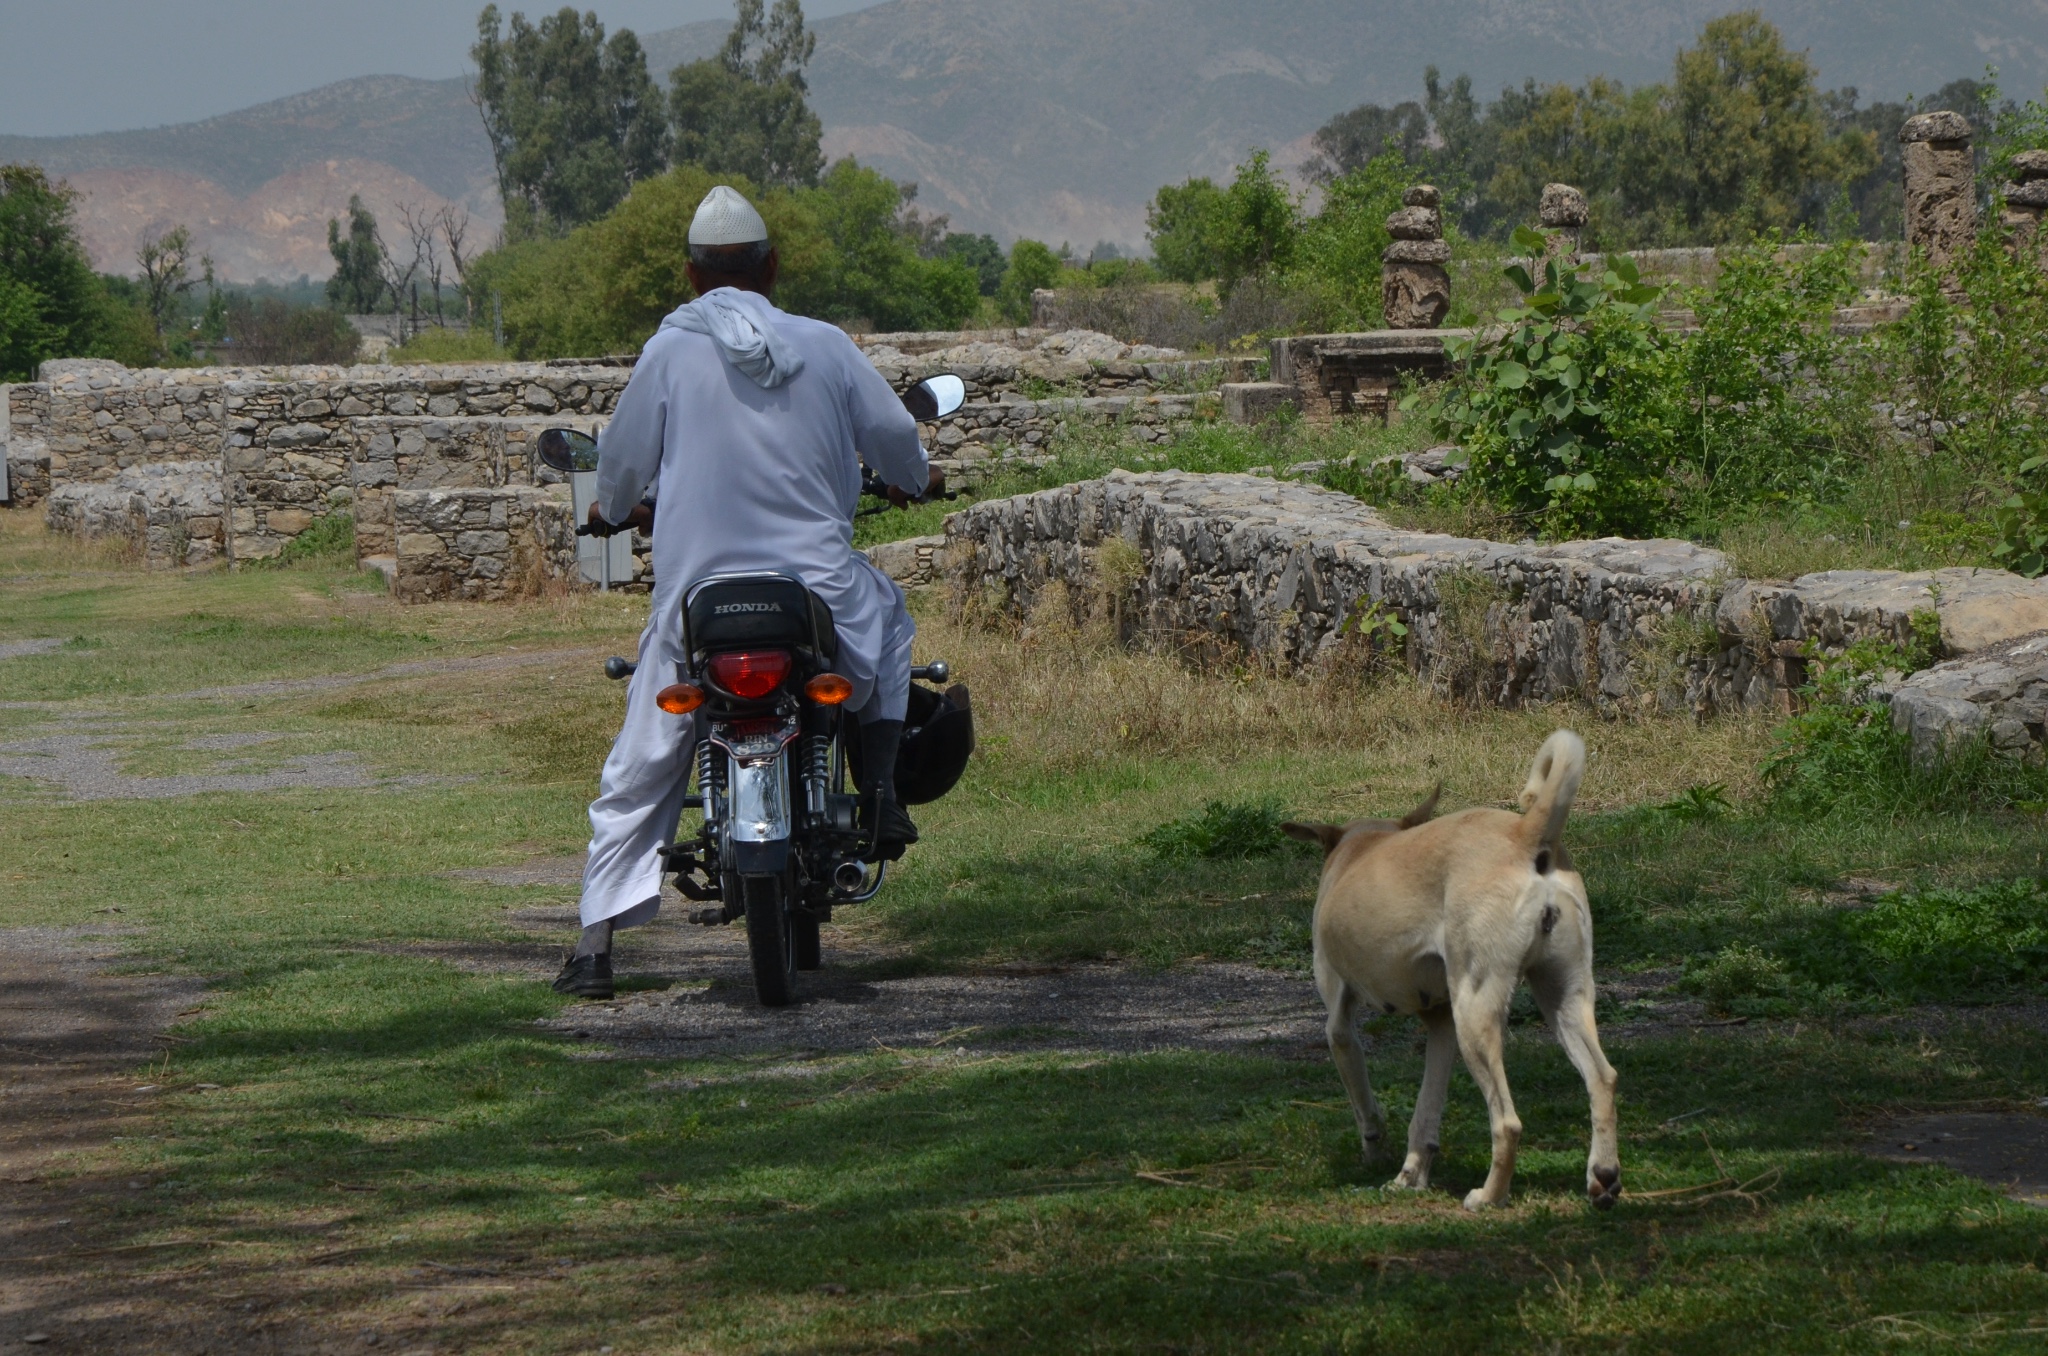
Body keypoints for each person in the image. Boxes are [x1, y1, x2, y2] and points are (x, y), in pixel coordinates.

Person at [553, 184, 942, 1000]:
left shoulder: (668, 353)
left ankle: (593, 945)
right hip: (816, 591)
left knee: (643, 762)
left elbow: (620, 467)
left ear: (691, 279)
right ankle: (876, 792)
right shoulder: (826, 346)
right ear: (773, 266)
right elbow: (897, 442)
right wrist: (914, 479)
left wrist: (613, 509)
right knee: (893, 623)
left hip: (701, 598)